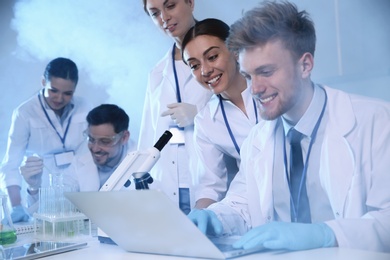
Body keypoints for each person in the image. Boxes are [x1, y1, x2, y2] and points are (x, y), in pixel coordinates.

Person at [188, 1, 390, 253]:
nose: (255, 89)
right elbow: (244, 203)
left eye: (267, 72)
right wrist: (215, 216)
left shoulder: (377, 122)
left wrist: (325, 234)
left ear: (305, 65)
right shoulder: (258, 139)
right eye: (249, 76)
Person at [138, 0, 212, 214]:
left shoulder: (223, 56)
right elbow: (147, 137)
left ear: (190, 3)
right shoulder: (157, 73)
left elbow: (246, 116)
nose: (164, 18)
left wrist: (198, 116)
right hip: (168, 184)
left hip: (210, 181)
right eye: (154, 13)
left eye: (170, 6)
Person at [0, 57, 91, 223]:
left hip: (78, 193)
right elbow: (11, 164)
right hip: (42, 194)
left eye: (67, 93)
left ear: (75, 89)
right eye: (53, 90)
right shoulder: (25, 112)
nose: (59, 98)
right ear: (43, 82)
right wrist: (16, 206)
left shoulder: (84, 107)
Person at [181, 18, 258, 209]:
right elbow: (210, 186)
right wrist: (201, 216)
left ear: (234, 50)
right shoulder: (207, 120)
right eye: (194, 66)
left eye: (212, 57)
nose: (205, 71)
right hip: (254, 202)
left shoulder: (269, 89)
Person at [67, 104, 135, 191]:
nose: (95, 149)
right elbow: (62, 195)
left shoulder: (143, 164)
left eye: (105, 141)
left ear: (124, 137)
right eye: (91, 139)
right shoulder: (79, 163)